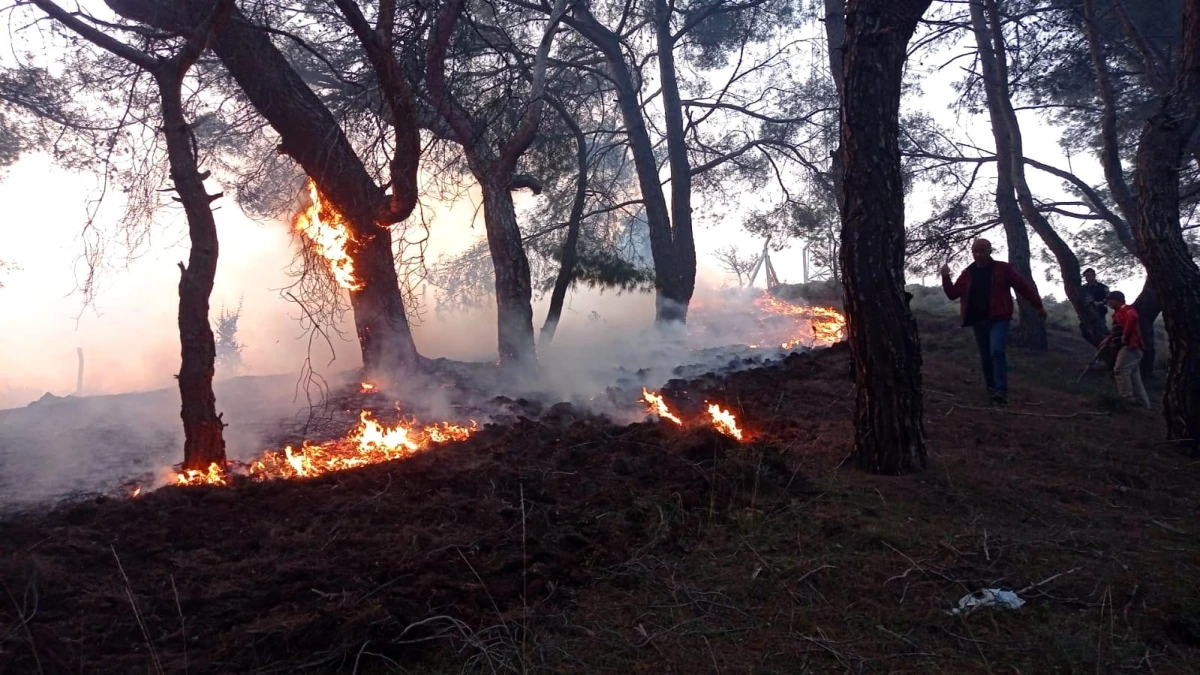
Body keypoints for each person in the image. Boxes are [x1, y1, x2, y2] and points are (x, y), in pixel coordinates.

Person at [941, 238, 1047, 405]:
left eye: (982, 251)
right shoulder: (968, 273)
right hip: (978, 320)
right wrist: (946, 277)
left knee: (996, 351)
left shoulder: (1003, 269)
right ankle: (992, 389)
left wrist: (1038, 306)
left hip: (1000, 317)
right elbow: (953, 294)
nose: (978, 254)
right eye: (975, 251)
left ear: (990, 251)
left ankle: (1001, 390)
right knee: (985, 356)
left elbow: (1023, 287)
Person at [1100, 290, 1151, 408]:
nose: (1108, 303)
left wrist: (1126, 336)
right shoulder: (1117, 314)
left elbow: (1132, 317)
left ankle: (1126, 398)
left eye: (1110, 300)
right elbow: (1117, 330)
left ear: (1117, 300)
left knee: (1120, 369)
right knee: (1133, 374)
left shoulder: (1126, 309)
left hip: (1131, 346)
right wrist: (1108, 339)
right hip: (1130, 347)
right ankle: (1144, 403)